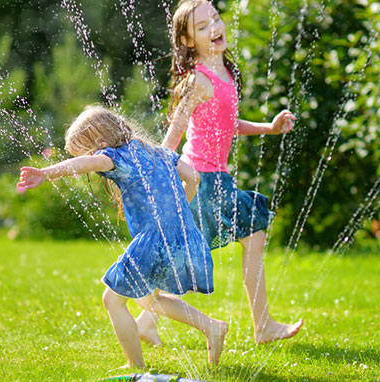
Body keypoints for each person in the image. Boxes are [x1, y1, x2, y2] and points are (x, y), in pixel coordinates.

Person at [137, 0, 303, 346]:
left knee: (183, 253)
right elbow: (177, 126)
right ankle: (263, 326)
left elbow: (226, 125)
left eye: (215, 18)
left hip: (214, 178)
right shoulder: (199, 79)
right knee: (246, 237)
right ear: (185, 41)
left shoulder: (225, 72)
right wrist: (161, 167)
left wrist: (269, 128)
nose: (214, 27)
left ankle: (145, 319)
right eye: (201, 26)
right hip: (201, 180)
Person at [17, 105, 227, 368]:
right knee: (148, 298)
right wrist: (177, 210)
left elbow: (86, 164)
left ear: (101, 142)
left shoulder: (114, 156)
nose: (92, 158)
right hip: (185, 237)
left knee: (112, 300)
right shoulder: (159, 152)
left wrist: (46, 174)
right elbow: (194, 177)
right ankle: (211, 326)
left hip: (155, 241)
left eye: (87, 150)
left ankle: (136, 367)